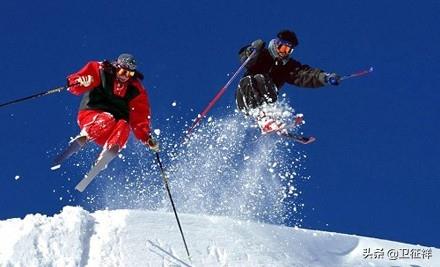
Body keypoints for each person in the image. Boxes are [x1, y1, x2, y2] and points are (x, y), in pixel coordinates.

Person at [53, 53, 159, 191]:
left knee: (124, 125)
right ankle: (84, 137)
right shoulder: (100, 69)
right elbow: (77, 81)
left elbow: (140, 118)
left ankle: (108, 152)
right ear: (116, 66)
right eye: (122, 71)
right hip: (91, 114)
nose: (125, 76)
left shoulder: (136, 90)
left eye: (130, 74)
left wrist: (147, 137)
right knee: (107, 118)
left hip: (110, 132)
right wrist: (79, 82)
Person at [235, 30, 341, 134]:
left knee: (263, 80)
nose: (283, 53)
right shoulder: (262, 54)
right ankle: (262, 117)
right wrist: (253, 50)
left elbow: (305, 75)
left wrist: (325, 78)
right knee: (255, 79)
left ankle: (272, 117)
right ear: (277, 44)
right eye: (283, 48)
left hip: (267, 97)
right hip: (244, 96)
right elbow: (246, 60)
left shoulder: (287, 66)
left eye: (288, 50)